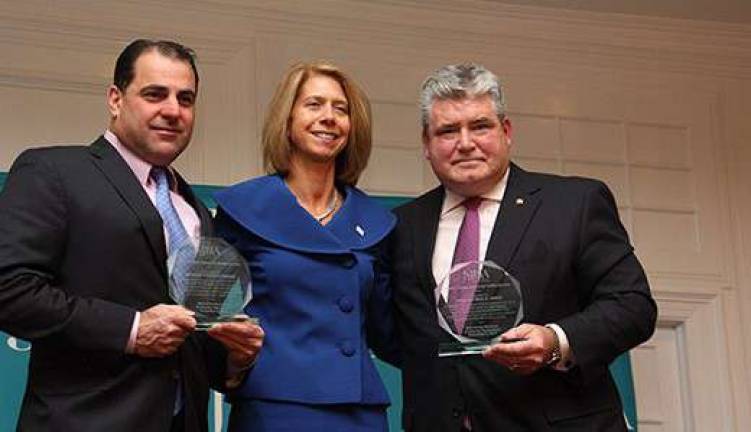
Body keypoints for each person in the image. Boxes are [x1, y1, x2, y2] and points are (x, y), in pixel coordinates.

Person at [0, 39, 263, 432]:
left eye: (186, 99)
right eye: (155, 94)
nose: (173, 110)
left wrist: (234, 359)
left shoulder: (193, 209)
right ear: (115, 99)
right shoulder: (53, 171)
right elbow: (9, 289)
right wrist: (132, 330)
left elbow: (194, 344)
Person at [390, 63, 658, 432]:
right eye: (448, 130)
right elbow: (397, 335)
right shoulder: (402, 226)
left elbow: (633, 306)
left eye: (480, 126)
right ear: (427, 144)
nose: (465, 142)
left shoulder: (574, 203)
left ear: (506, 130)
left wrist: (553, 341)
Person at [212, 60, 400, 432]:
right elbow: (212, 321)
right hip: (273, 408)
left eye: (340, 108)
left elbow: (390, 330)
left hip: (358, 412)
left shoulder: (376, 221)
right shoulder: (242, 209)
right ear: (288, 118)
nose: (328, 117)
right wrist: (231, 366)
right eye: (314, 104)